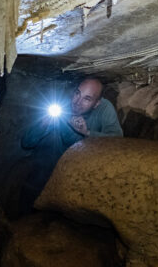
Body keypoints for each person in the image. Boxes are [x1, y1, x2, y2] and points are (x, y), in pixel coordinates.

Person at [17, 77, 122, 214]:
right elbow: (26, 143)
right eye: (77, 93)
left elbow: (118, 140)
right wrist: (42, 125)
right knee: (50, 144)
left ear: (96, 103)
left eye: (87, 99)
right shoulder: (61, 106)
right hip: (55, 164)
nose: (77, 102)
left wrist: (87, 132)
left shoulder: (104, 108)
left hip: (87, 166)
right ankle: (29, 212)